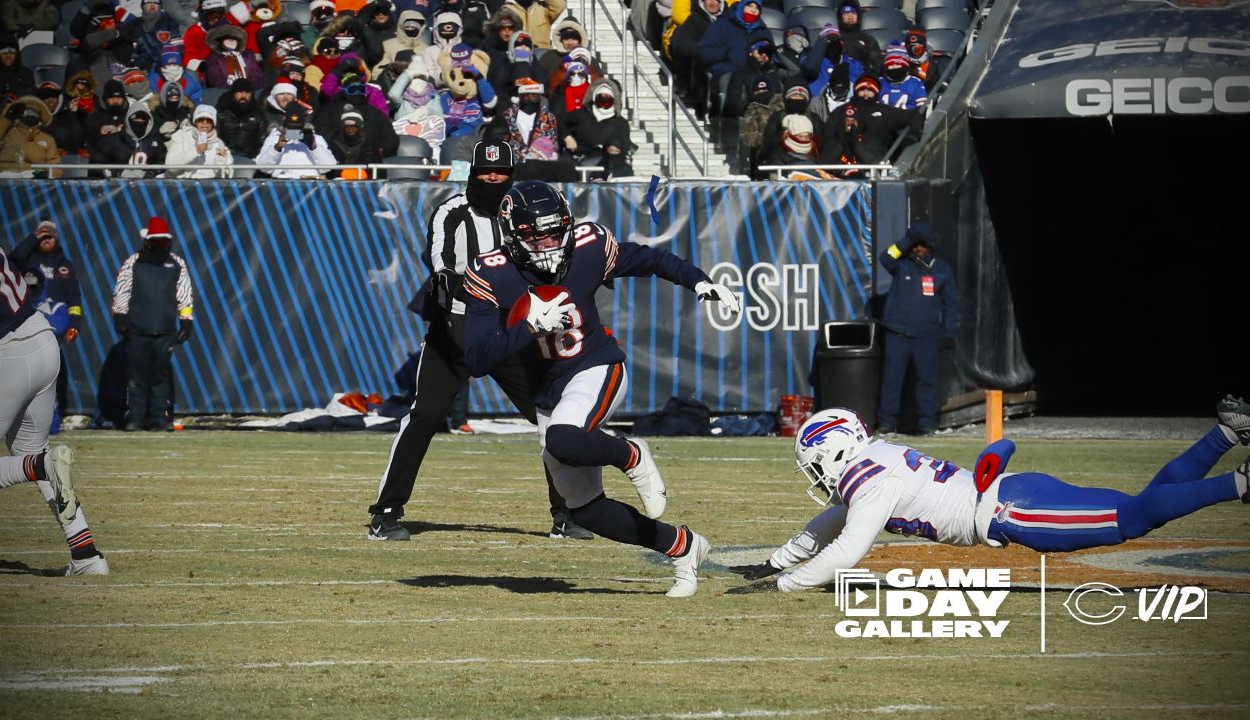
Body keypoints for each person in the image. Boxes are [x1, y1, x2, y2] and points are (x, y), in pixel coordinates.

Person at [462, 180, 742, 596]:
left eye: (556, 231)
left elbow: (649, 259)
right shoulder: (489, 271)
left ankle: (631, 452)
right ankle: (683, 547)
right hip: (547, 392)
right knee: (587, 510)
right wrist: (530, 327)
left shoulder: (589, 246)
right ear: (512, 235)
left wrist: (699, 281)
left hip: (596, 366)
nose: (550, 243)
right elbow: (477, 358)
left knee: (562, 440)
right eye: (536, 235)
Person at [729, 402, 1250, 592]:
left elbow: (847, 550)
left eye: (815, 464)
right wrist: (773, 563)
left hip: (1013, 513)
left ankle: (1241, 482)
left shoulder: (872, 484)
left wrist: (785, 588)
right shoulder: (875, 461)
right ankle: (1225, 435)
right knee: (1143, 505)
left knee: (1135, 518)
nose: (815, 474)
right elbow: (829, 524)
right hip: (1014, 495)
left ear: (836, 454)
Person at [367, 142, 592, 542]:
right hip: (456, 329)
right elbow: (443, 266)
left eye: (501, 171)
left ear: (512, 174)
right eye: (485, 171)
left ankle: (567, 513)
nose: (492, 178)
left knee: (551, 417)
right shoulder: (452, 212)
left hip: (511, 331)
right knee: (425, 416)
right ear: (472, 172)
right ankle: (385, 511)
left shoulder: (522, 215)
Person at [0, 203, 98, 576]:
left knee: (16, 462)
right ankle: (87, 555)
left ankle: (39, 466)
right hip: (41, 336)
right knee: (30, 448)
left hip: (7, 350)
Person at [111, 216, 195, 432]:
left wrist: (186, 321)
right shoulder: (133, 262)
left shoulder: (177, 263)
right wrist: (120, 316)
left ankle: (159, 418)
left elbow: (184, 294)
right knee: (137, 376)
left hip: (165, 329)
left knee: (160, 375)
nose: (159, 245)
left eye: (163, 241)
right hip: (137, 329)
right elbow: (122, 290)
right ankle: (136, 418)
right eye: (155, 240)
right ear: (147, 240)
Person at [876, 222, 957, 435]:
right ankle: (886, 423)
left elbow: (951, 304)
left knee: (927, 382)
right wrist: (907, 241)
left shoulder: (941, 269)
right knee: (891, 380)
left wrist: (948, 332)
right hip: (898, 334)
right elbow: (885, 256)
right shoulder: (901, 265)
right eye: (915, 244)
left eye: (922, 244)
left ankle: (927, 423)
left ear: (930, 246)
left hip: (928, 336)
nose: (918, 249)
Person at [9, 220, 84, 426]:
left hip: (53, 331)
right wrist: (33, 237)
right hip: (26, 328)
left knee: (53, 374)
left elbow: (74, 299)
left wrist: (75, 325)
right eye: (42, 235)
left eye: (50, 235)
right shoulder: (27, 260)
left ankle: (53, 416)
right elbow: (12, 258)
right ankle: (18, 416)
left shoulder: (64, 266)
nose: (46, 239)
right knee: (25, 375)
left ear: (57, 238)